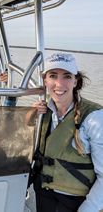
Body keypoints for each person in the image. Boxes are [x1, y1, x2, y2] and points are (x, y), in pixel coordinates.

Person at [29, 53, 103, 212]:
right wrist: (29, 119)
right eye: (53, 76)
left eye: (67, 76)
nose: (59, 83)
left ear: (75, 81)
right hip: (42, 192)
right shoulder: (41, 113)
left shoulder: (94, 118)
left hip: (75, 201)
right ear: (45, 81)